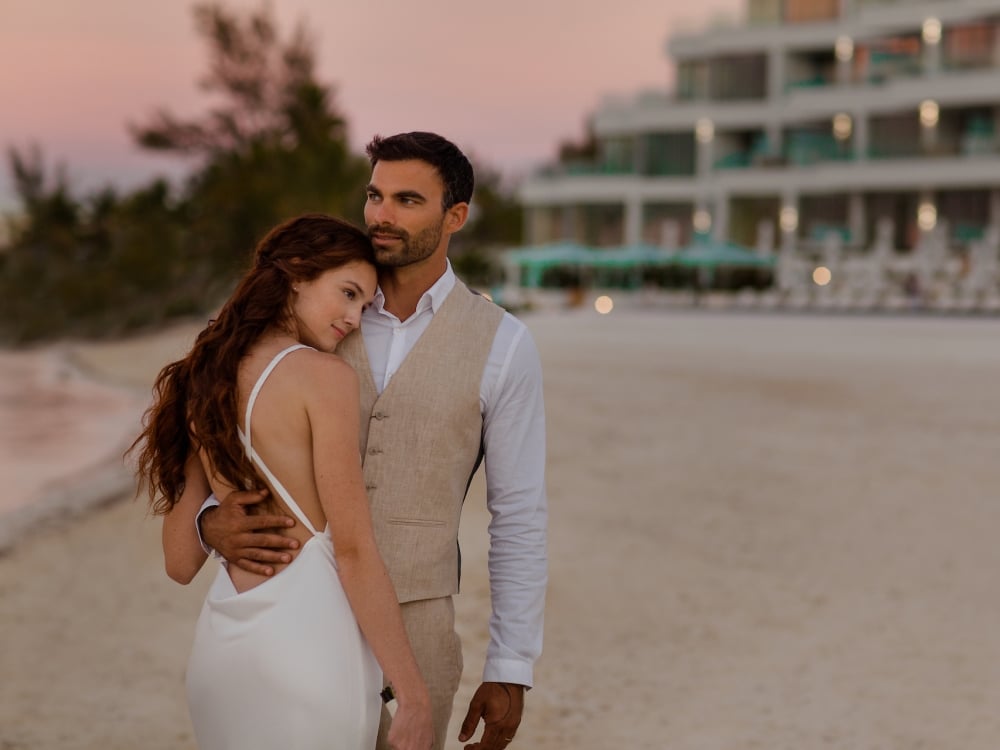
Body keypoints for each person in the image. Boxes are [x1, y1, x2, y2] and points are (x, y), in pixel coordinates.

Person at [196, 132, 548, 750]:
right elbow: (228, 430)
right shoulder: (321, 311)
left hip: (419, 631)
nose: (381, 215)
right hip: (294, 613)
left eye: (408, 199)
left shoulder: (504, 344)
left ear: (455, 216)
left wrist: (511, 666)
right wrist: (208, 523)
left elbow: (517, 513)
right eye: (375, 195)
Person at [131, 214, 434, 750]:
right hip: (308, 648)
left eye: (364, 305)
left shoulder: (205, 379)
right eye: (347, 293)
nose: (354, 318)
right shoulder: (324, 377)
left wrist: (210, 525)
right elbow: (355, 551)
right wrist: (412, 695)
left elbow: (179, 563)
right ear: (296, 274)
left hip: (222, 652)